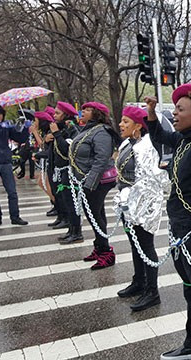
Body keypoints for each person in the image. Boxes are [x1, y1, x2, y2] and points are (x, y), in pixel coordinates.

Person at [145, 84, 191, 360]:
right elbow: (157, 137)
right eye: (175, 109)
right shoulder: (182, 140)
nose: (174, 114)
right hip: (178, 231)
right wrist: (151, 113)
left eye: (180, 109)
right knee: (190, 291)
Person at [114, 106, 169, 311]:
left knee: (146, 246)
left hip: (144, 203)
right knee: (134, 244)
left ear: (138, 126)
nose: (121, 125)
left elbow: (151, 177)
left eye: (126, 122)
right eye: (122, 121)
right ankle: (139, 281)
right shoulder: (128, 142)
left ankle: (152, 291)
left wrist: (135, 201)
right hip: (128, 201)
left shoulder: (146, 145)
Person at [68, 102, 120, 269]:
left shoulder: (102, 131)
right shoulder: (88, 129)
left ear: (97, 113)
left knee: (94, 215)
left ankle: (106, 252)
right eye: (83, 109)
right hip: (88, 179)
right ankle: (100, 247)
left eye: (87, 109)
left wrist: (90, 183)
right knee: (97, 214)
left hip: (98, 180)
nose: (82, 111)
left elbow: (101, 159)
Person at [50, 101, 82, 243]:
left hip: (69, 171)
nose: (54, 115)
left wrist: (56, 134)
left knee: (72, 202)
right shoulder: (62, 129)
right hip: (61, 171)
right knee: (66, 202)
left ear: (66, 115)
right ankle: (71, 229)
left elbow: (66, 151)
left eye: (57, 113)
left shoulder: (72, 129)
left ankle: (77, 232)